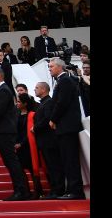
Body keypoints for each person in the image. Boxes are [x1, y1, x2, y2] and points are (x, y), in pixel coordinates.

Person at [0, 68, 29, 200]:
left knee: (11, 161)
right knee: (9, 161)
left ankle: (21, 191)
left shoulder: (4, 90)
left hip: (5, 131)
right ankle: (21, 190)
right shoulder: (2, 90)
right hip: (4, 130)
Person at [47, 58, 85, 199]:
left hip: (67, 127)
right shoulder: (63, 81)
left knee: (70, 160)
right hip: (65, 127)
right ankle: (71, 190)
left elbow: (62, 103)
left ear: (59, 67)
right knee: (67, 160)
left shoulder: (65, 81)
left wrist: (53, 119)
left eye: (51, 66)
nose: (49, 68)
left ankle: (75, 191)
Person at [32, 81, 62, 199]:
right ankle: (54, 189)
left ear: (44, 89)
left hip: (49, 141)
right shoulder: (43, 103)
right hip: (45, 141)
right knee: (50, 166)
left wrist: (35, 127)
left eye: (37, 87)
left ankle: (57, 190)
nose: (35, 89)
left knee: (54, 166)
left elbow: (47, 119)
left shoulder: (49, 103)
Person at [16, 93, 43, 199]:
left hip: (28, 146)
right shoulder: (16, 115)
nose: (17, 103)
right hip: (18, 146)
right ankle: (26, 191)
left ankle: (37, 191)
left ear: (25, 103)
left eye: (19, 102)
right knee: (20, 169)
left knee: (33, 169)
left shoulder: (32, 115)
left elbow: (30, 132)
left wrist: (21, 143)